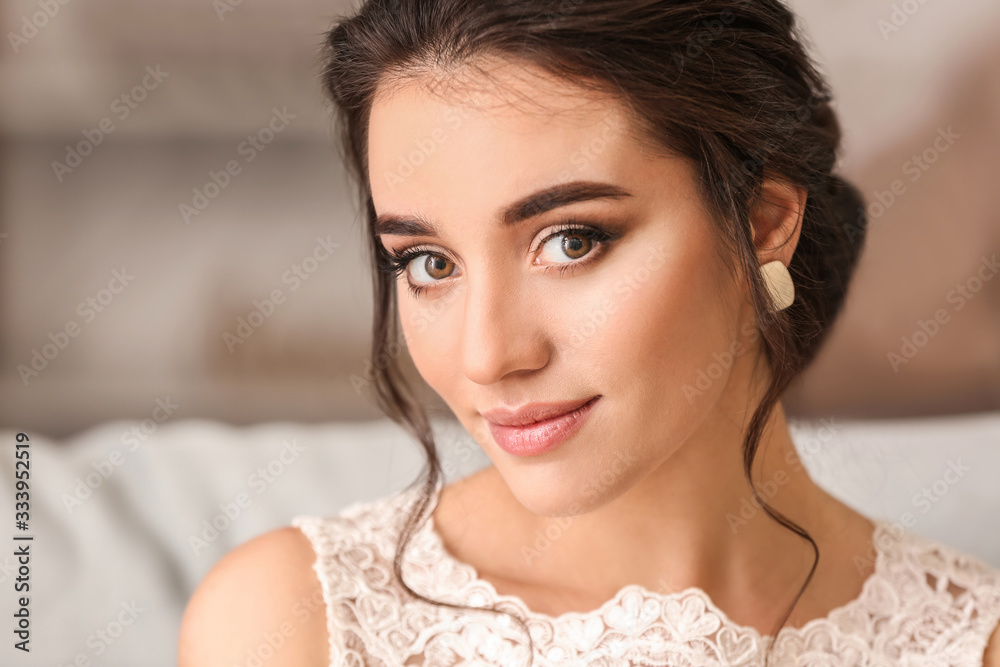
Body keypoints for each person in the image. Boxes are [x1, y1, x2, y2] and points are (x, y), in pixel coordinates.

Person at [177, 1, 1000, 665]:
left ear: (762, 224)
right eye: (428, 263)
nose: (488, 355)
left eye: (572, 241)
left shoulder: (971, 643)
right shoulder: (291, 625)